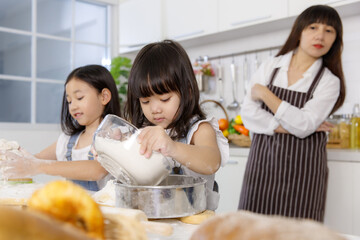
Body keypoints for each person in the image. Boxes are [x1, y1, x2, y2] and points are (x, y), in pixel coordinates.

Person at [238, 5, 345, 222]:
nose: (320, 36)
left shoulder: (329, 82)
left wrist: (265, 94)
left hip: (304, 175)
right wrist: (293, 126)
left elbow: (304, 126)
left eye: (329, 30)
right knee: (252, 230)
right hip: (262, 167)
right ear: (299, 31)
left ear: (335, 39)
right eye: (313, 27)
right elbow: (248, 113)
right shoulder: (271, 66)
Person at [124, 40, 229, 210]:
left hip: (193, 226)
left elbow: (211, 161)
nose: (155, 109)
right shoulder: (143, 131)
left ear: (186, 92)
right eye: (145, 101)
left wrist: (171, 147)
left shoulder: (199, 129)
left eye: (165, 99)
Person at [0, 65, 121, 191]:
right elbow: (34, 160)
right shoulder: (68, 140)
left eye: (79, 98)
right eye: (69, 101)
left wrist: (38, 166)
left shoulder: (114, 134)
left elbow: (97, 170)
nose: (73, 106)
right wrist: (11, 155)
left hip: (103, 209)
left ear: (104, 96)